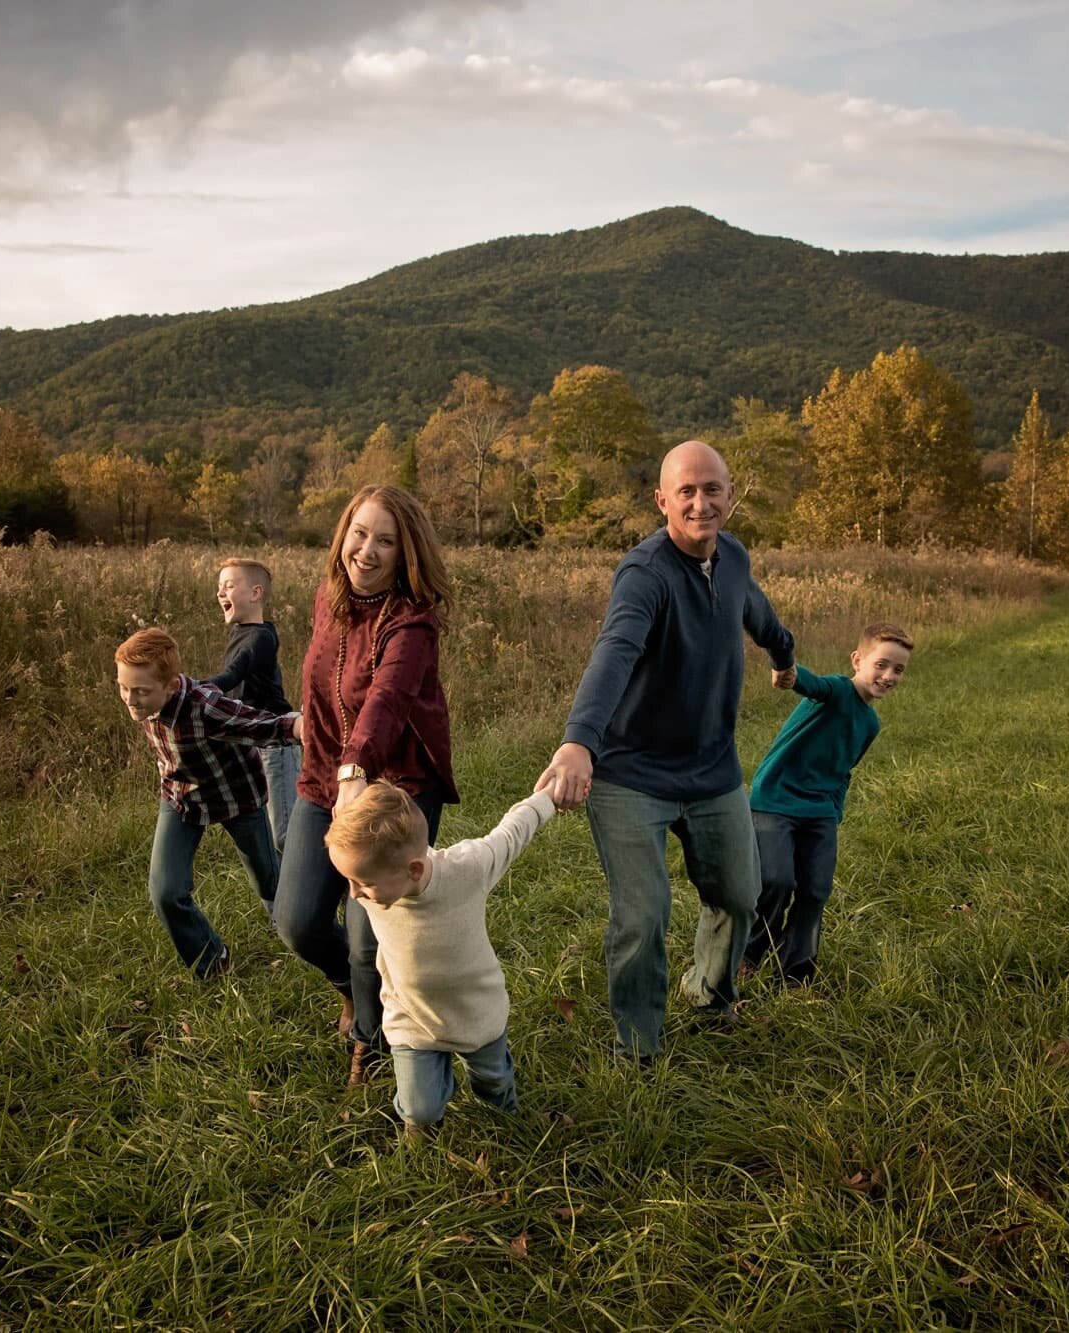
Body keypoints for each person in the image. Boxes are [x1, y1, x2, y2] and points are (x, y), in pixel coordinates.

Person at [539, 440, 795, 1060]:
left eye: (713, 489)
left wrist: (784, 655)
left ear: (732, 497)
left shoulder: (732, 556)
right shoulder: (645, 574)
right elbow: (615, 651)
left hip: (711, 769)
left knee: (739, 894)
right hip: (632, 775)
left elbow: (755, 610)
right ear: (663, 501)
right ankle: (638, 1046)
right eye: (687, 491)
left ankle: (710, 998)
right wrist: (579, 741)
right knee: (643, 917)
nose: (701, 503)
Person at [272, 485, 458, 1083]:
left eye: (385, 540)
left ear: (406, 551)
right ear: (343, 534)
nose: (367, 551)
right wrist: (323, 754)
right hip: (324, 779)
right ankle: (352, 991)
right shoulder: (328, 597)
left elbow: (387, 700)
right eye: (359, 533)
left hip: (395, 788)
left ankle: (372, 1043)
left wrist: (356, 770)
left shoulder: (413, 622)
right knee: (296, 921)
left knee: (367, 942)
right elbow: (319, 682)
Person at [326, 777, 557, 1131]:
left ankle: (507, 1127)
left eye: (363, 883)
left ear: (413, 870)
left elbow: (511, 833)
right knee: (419, 1110)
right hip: (412, 1018)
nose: (354, 894)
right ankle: (420, 1133)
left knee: (493, 1086)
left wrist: (551, 795)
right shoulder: (375, 880)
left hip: (475, 1009)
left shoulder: (467, 869)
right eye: (349, 881)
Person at [114, 628, 301, 977]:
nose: (130, 699)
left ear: (170, 687)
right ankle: (212, 961)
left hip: (237, 797)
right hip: (182, 798)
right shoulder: (142, 702)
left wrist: (297, 727)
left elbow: (255, 722)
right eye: (123, 687)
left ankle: (312, 927)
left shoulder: (203, 705)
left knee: (269, 881)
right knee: (166, 891)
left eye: (140, 691)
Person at [743, 623, 913, 986]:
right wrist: (788, 673)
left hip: (819, 811)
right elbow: (811, 683)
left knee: (815, 890)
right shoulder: (836, 690)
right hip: (775, 800)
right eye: (881, 664)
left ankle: (795, 975)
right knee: (776, 879)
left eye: (898, 669)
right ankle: (749, 953)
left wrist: (834, 811)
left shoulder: (870, 723)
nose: (889, 675)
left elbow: (845, 770)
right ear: (857, 660)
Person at [205, 557, 299, 852]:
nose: (221, 593)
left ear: (256, 593)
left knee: (284, 835)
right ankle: (283, 895)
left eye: (229, 586)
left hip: (275, 740)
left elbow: (234, 673)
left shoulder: (259, 638)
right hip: (252, 740)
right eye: (219, 587)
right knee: (268, 836)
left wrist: (194, 690)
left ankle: (339, 885)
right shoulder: (240, 632)